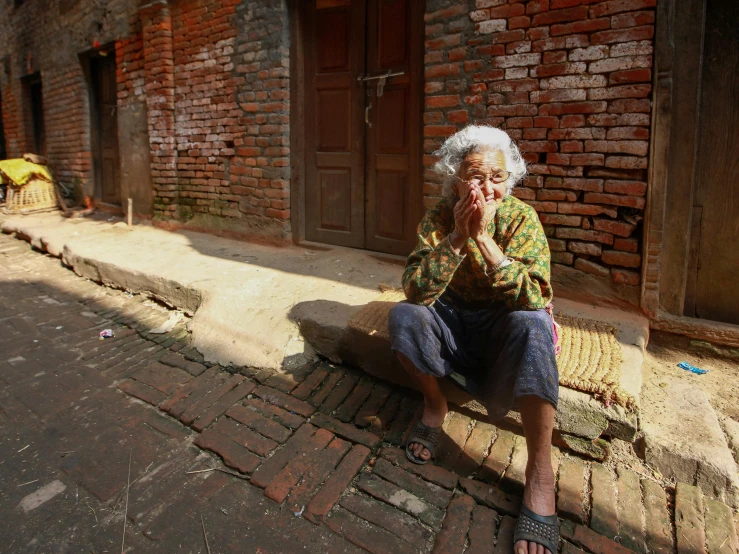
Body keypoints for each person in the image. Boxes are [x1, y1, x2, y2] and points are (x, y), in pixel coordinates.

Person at [388, 125, 559, 554]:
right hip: (451, 319)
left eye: (497, 178)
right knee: (405, 316)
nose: (487, 188)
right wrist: (459, 236)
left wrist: (484, 239)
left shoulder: (522, 219)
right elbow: (417, 289)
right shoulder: (439, 217)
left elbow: (536, 296)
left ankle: (540, 472)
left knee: (534, 326)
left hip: (500, 326)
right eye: (476, 177)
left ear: (509, 181)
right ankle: (434, 405)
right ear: (456, 180)